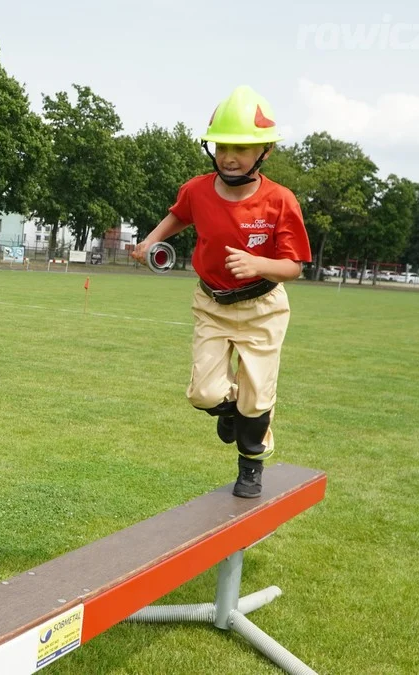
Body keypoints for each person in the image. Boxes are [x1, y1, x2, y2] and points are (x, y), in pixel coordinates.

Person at [133, 85, 312, 498]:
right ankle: (229, 410)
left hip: (262, 307)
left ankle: (251, 466)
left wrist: (258, 264)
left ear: (264, 151)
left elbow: (295, 266)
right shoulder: (197, 189)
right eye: (222, 146)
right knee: (203, 393)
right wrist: (148, 241)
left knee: (257, 397)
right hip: (211, 303)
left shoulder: (281, 201)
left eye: (241, 148)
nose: (229, 156)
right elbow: (180, 215)